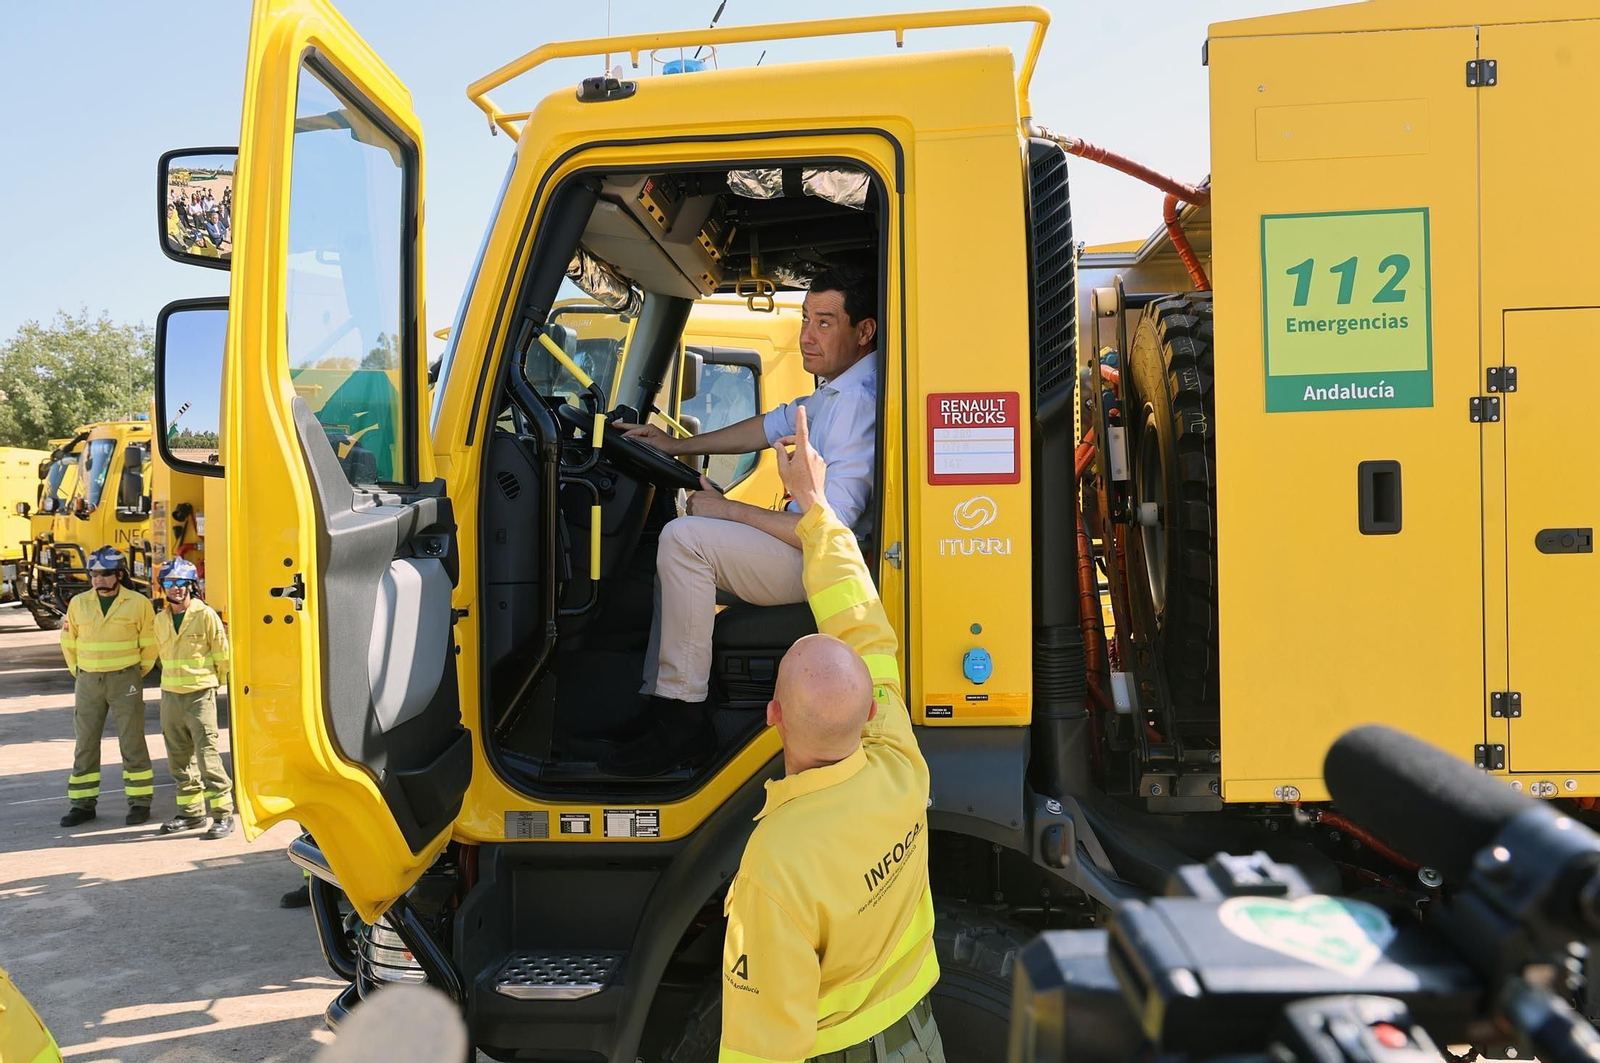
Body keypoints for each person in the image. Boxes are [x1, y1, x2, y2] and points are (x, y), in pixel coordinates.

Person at [719, 406, 943, 1062]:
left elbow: (763, 1044)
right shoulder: (899, 759)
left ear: (773, 717)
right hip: (918, 1039)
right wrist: (815, 506)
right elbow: (863, 620)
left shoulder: (775, 865)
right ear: (873, 711)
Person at [603, 266, 879, 776]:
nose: (805, 336)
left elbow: (827, 530)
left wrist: (728, 510)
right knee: (682, 544)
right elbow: (767, 424)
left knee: (686, 542)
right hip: (808, 549)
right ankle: (661, 705)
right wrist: (676, 445)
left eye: (824, 322)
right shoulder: (836, 390)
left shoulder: (857, 402)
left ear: (864, 332)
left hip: (822, 566)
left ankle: (682, 724)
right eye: (804, 319)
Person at [59, 546, 158, 827]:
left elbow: (150, 646)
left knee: (132, 742)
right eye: (93, 574)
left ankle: (140, 803)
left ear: (119, 575)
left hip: (125, 679)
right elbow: (68, 643)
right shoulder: (78, 603)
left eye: (104, 574)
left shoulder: (138, 603)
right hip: (88, 680)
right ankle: (82, 805)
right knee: (85, 743)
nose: (97, 579)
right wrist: (80, 672)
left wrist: (133, 674)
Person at [152, 558, 235, 839]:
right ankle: (191, 814)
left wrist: (216, 685)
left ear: (191, 586)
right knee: (178, 759)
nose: (175, 589)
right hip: (171, 697)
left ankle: (223, 815)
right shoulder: (161, 619)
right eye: (169, 583)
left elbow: (222, 654)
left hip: (200, 696)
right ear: (162, 586)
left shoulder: (205, 614)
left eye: (180, 583)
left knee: (207, 757)